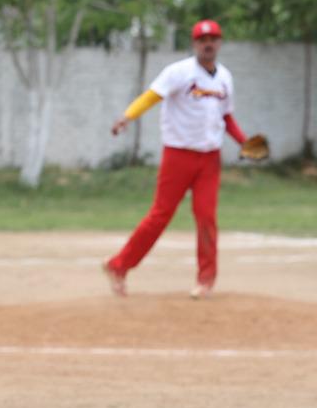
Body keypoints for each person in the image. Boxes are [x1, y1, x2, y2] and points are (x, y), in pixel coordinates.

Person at [105, 19, 254, 300]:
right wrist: (127, 117)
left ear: (220, 43)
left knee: (206, 216)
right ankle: (119, 266)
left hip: (210, 159)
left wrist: (244, 142)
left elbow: (226, 116)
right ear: (194, 44)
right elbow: (151, 97)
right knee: (160, 215)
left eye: (213, 39)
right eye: (202, 40)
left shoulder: (224, 77)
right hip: (178, 155)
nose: (208, 44)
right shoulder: (179, 72)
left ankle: (206, 279)